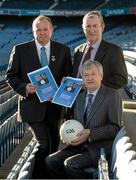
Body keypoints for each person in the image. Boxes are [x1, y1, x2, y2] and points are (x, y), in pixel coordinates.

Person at [5, 15, 73, 178]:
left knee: (54, 145)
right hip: (32, 107)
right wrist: (25, 87)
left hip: (55, 107)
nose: (42, 33)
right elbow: (10, 76)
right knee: (44, 144)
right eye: (38, 30)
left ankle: (48, 175)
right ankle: (38, 176)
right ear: (33, 31)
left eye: (45, 29)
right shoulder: (20, 49)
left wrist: (63, 86)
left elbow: (68, 75)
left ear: (51, 30)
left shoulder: (63, 50)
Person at [45, 60, 122, 179]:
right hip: (78, 146)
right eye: (86, 75)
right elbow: (71, 120)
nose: (89, 78)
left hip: (98, 148)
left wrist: (90, 133)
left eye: (93, 74)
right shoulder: (79, 97)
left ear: (101, 76)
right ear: (82, 78)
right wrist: (66, 133)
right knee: (51, 161)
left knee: (71, 165)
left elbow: (115, 128)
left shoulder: (112, 95)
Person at [73, 10, 128, 89]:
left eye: (95, 26)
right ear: (83, 28)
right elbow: (76, 76)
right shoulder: (78, 50)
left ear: (102, 27)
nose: (91, 30)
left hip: (101, 99)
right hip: (78, 99)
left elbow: (121, 79)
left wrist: (92, 85)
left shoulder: (114, 51)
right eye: (88, 26)